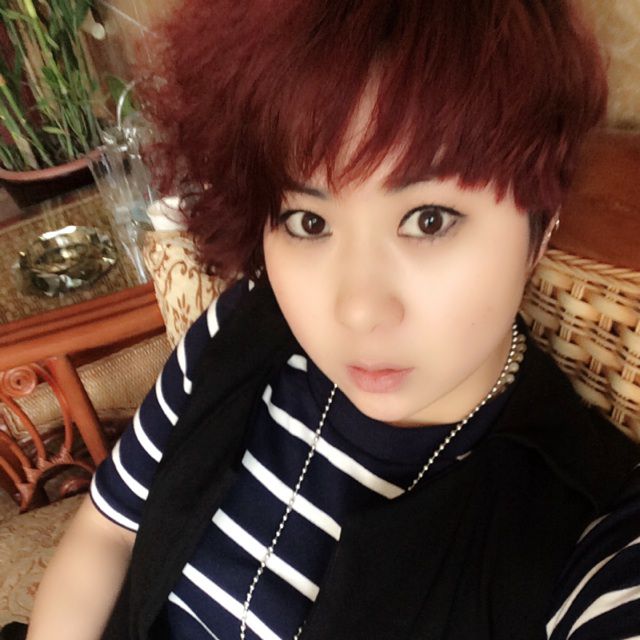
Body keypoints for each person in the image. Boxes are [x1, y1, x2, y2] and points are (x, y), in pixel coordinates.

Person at [22, 1, 640, 639]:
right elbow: (110, 530)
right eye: (309, 221)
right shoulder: (241, 330)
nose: (358, 310)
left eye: (429, 220)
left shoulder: (592, 525)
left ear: (541, 229)